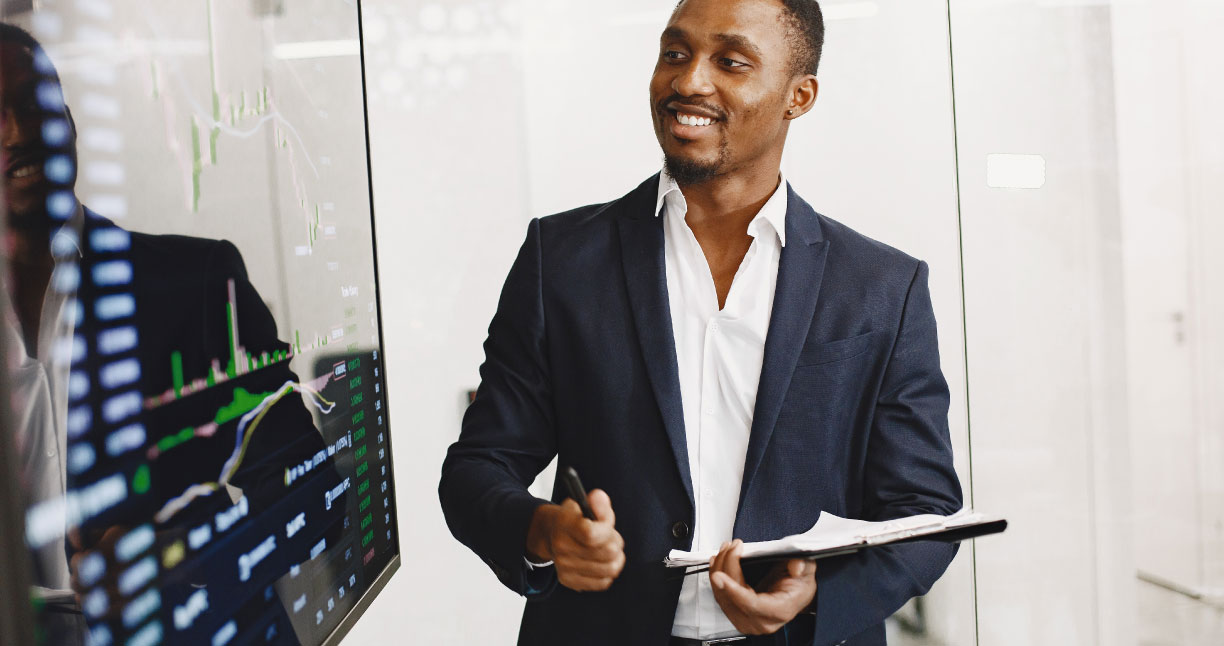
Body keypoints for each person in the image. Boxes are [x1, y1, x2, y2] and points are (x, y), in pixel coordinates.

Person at [439, 0, 963, 644]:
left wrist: (820, 596)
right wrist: (542, 530)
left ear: (799, 97)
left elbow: (925, 512)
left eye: (731, 62)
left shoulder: (883, 287)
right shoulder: (562, 260)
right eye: (675, 54)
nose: (688, 81)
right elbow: (477, 468)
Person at [2, 23, 342, 645]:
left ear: (72, 125)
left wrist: (182, 551)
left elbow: (316, 495)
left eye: (34, 104)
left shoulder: (197, 284)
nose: (20, 131)